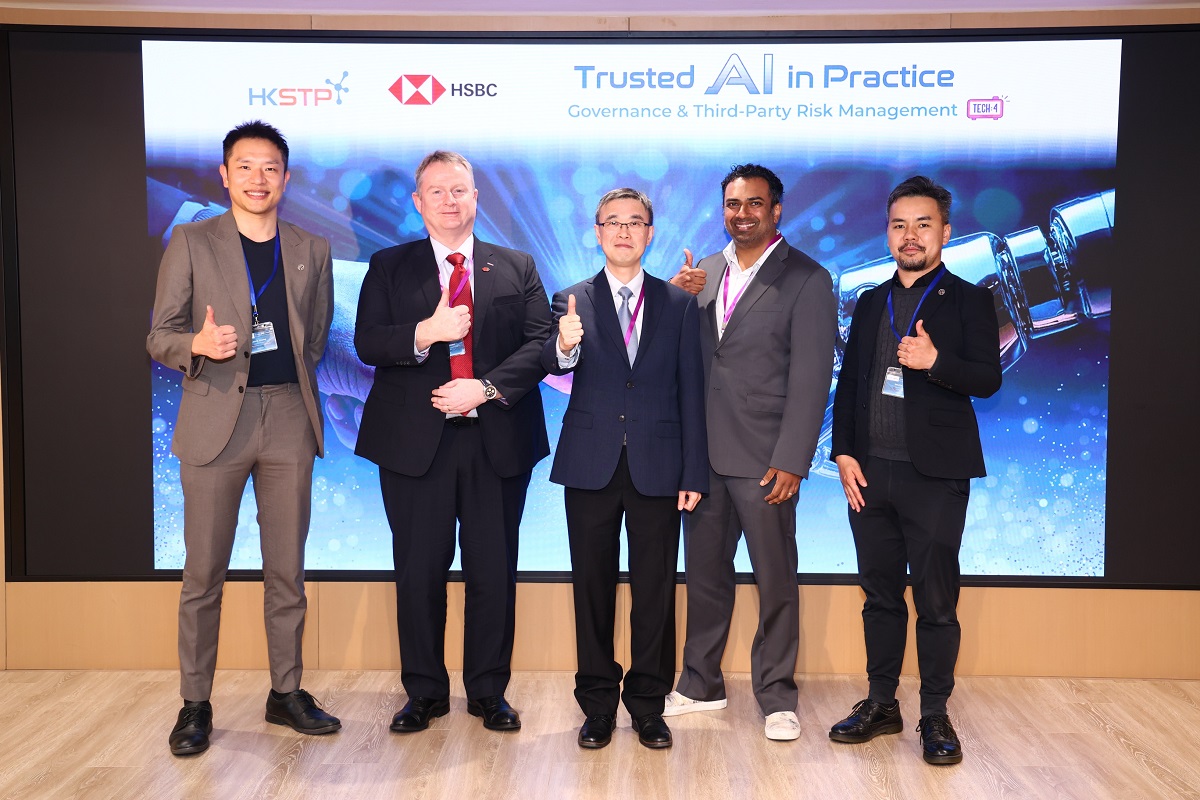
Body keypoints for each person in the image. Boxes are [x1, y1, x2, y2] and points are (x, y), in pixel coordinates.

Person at [148, 120, 339, 757]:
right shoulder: (192, 241)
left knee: (287, 570)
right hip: (214, 422)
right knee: (203, 573)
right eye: (246, 167)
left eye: (271, 168)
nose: (259, 179)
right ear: (225, 175)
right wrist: (195, 346)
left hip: (287, 415)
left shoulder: (313, 246)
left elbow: (314, 339)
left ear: (286, 178)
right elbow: (160, 335)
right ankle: (194, 704)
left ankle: (286, 692)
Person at [354, 151, 553, 734]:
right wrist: (426, 332)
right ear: (418, 203)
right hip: (416, 446)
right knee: (418, 572)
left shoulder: (515, 265)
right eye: (436, 191)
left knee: (494, 570)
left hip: (497, 439)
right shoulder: (390, 266)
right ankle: (424, 692)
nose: (449, 199)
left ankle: (489, 691)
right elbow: (368, 341)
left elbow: (541, 344)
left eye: (459, 189)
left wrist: (484, 388)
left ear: (475, 197)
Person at [828, 175, 1001, 765]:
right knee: (878, 596)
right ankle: (881, 704)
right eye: (899, 225)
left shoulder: (971, 298)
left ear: (945, 232)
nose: (910, 236)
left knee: (935, 599)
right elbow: (850, 383)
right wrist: (844, 452)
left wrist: (935, 361)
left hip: (935, 475)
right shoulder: (871, 300)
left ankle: (933, 714)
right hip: (870, 472)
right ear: (888, 232)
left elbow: (988, 379)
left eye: (923, 224)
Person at [664, 164, 837, 740]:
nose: (742, 213)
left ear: (776, 210)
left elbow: (813, 377)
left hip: (767, 462)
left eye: (754, 204)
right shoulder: (702, 273)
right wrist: (674, 297)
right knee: (705, 577)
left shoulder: (808, 279)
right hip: (705, 459)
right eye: (733, 204)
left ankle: (777, 695)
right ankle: (699, 683)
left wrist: (793, 457)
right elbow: (684, 361)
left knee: (775, 580)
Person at [542, 189, 707, 750]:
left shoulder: (680, 305)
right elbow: (556, 363)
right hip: (591, 463)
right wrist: (563, 348)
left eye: (635, 222)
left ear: (650, 233)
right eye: (612, 222)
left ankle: (647, 703)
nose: (623, 231)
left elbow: (693, 392)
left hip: (659, 466)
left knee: (655, 590)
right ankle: (596, 705)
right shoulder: (571, 299)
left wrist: (694, 472)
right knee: (591, 589)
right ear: (596, 232)